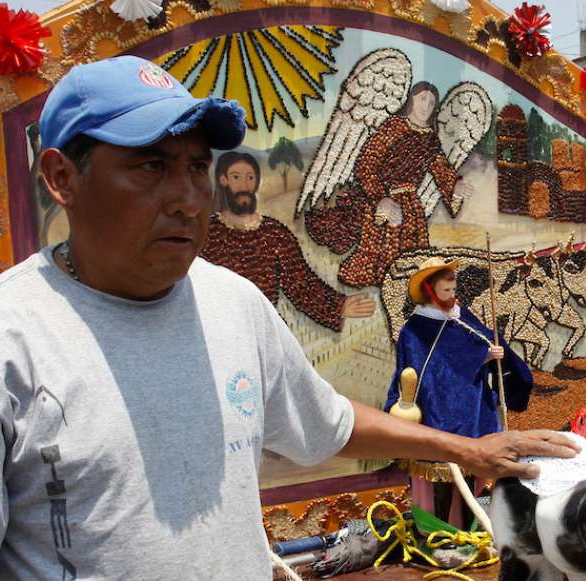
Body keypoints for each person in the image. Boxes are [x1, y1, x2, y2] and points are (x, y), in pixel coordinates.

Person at [0, 56, 575, 581]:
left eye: (197, 166)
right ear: (61, 178)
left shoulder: (233, 305)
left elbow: (323, 419)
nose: (189, 197)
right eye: (149, 165)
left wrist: (468, 451)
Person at [385, 258, 532, 524]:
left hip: (472, 409)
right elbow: (431, 369)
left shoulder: (462, 317)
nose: (452, 297)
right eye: (445, 292)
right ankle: (441, 534)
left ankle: (468, 529)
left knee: (471, 473)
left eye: (454, 291)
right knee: (442, 473)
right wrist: (480, 358)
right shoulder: (415, 329)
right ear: (430, 290)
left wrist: (497, 353)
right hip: (437, 412)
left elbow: (485, 338)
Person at [304, 81, 474, 289]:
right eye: (422, 99)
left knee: (413, 257)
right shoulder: (393, 127)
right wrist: (381, 198)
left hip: (411, 207)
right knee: (376, 256)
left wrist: (453, 187)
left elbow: (441, 169)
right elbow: (366, 163)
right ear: (411, 100)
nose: (426, 106)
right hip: (384, 201)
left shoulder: (430, 138)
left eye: (431, 103)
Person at [199, 150, 375, 331]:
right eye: (236, 177)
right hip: (217, 330)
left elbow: (300, 283)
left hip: (264, 331)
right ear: (223, 180)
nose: (244, 185)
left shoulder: (274, 233)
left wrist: (339, 306)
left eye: (250, 178)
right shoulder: (206, 233)